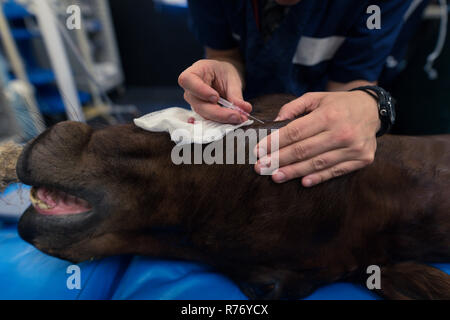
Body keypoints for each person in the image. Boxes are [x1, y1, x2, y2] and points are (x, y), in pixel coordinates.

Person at [178, 0, 413, 187]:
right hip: (242, 131)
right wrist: (223, 69)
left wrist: (366, 104)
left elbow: (352, 82)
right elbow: (224, 52)